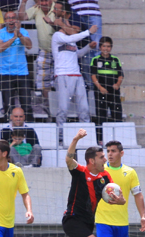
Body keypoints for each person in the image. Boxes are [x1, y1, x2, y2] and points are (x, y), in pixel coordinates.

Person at [31, 129, 125, 237]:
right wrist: (75, 138)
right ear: (91, 160)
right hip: (73, 219)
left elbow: (120, 199)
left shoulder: (105, 176)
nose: (105, 159)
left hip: (88, 223)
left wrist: (119, 201)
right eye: (102, 157)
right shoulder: (80, 171)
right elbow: (68, 159)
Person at [52, 7, 97, 141]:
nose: (71, 26)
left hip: (77, 76)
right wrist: (88, 32)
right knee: (63, 108)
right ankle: (60, 135)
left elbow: (76, 54)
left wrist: (89, 47)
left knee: (84, 108)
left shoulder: (71, 40)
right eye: (68, 24)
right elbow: (72, 37)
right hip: (63, 75)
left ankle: (87, 136)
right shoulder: (57, 36)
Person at [17, 0, 56, 112]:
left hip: (60, 52)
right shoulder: (36, 9)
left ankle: (57, 107)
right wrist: (23, 2)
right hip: (44, 50)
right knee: (44, 81)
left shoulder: (57, 7)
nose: (43, 3)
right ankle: (48, 107)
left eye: (46, 1)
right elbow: (21, 17)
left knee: (58, 81)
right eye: (41, 1)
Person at [0, 11, 34, 120]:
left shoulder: (23, 31)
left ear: (17, 20)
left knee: (26, 105)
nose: (11, 20)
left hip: (22, 72)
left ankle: (29, 129)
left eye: (13, 18)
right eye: (8, 18)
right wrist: (13, 38)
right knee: (8, 105)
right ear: (5, 21)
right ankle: (8, 130)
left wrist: (19, 35)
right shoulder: (0, 33)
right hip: (5, 73)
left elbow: (29, 46)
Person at [91, 36, 124, 145]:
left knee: (117, 113)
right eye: (104, 46)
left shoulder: (115, 59)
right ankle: (101, 139)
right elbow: (93, 76)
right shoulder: (95, 60)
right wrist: (100, 87)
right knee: (101, 115)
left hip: (113, 92)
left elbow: (120, 75)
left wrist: (117, 84)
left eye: (108, 46)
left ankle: (118, 138)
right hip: (101, 92)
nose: (106, 48)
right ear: (100, 47)